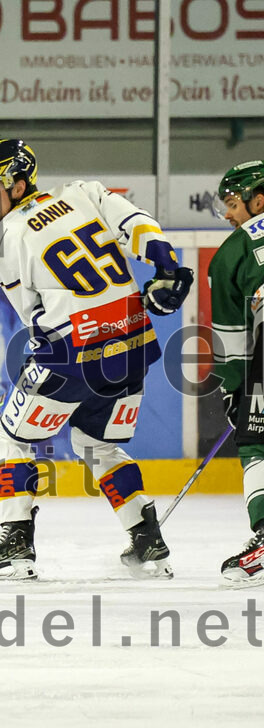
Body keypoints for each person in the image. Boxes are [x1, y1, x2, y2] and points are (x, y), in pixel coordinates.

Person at [0, 139, 193, 580]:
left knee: (10, 435)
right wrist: (167, 270)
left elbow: (34, 318)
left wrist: (43, 371)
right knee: (96, 443)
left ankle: (15, 543)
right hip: (134, 343)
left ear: (16, 182)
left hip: (73, 353)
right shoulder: (84, 193)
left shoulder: (1, 243)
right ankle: (147, 539)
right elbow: (142, 227)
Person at [208, 160, 264, 585]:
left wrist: (234, 391)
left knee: (256, 444)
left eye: (231, 203)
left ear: (257, 201)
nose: (227, 213)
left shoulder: (234, 251)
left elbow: (231, 338)